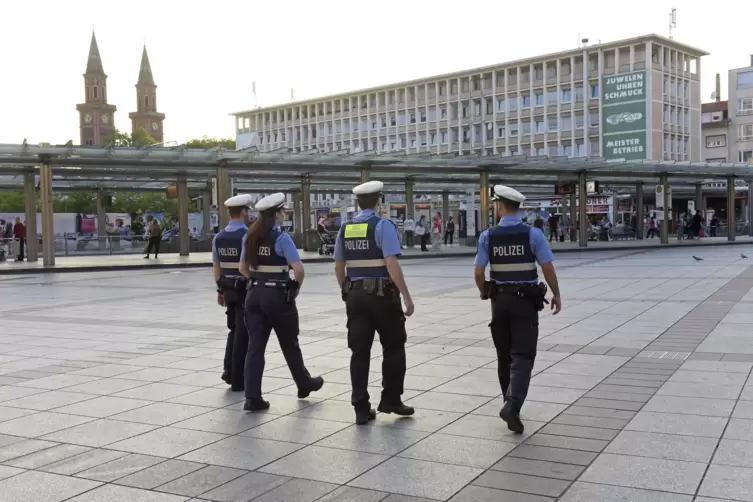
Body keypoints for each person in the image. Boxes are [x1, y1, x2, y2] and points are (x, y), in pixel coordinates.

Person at [474, 185, 562, 434]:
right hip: (524, 303)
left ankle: (508, 403)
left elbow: (479, 272)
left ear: (500, 207)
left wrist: (485, 291)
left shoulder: (487, 236)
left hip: (499, 302)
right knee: (523, 355)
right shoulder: (533, 235)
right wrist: (556, 294)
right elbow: (548, 268)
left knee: (504, 355)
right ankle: (512, 405)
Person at [334, 180, 415, 425]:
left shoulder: (345, 228)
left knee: (359, 352)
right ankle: (390, 399)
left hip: (355, 296)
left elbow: (339, 267)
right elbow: (391, 264)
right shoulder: (383, 226)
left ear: (358, 202)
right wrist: (406, 297)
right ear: (379, 199)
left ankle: (360, 407)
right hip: (382, 297)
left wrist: (347, 290)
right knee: (393, 346)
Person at [240, 192, 323, 411]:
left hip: (253, 296)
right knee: (289, 344)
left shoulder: (249, 237)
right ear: (275, 214)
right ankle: (304, 383)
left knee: (255, 347)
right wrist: (294, 287)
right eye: (282, 210)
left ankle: (252, 397)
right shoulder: (282, 239)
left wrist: (258, 281)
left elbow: (242, 269)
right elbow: (299, 270)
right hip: (277, 297)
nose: (284, 213)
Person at [212, 194, 253, 392]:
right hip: (244, 289)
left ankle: (228, 370)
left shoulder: (219, 237)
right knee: (243, 333)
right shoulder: (247, 235)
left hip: (227, 289)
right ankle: (238, 377)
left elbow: (216, 267)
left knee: (233, 330)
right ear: (244, 211)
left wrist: (220, 290)